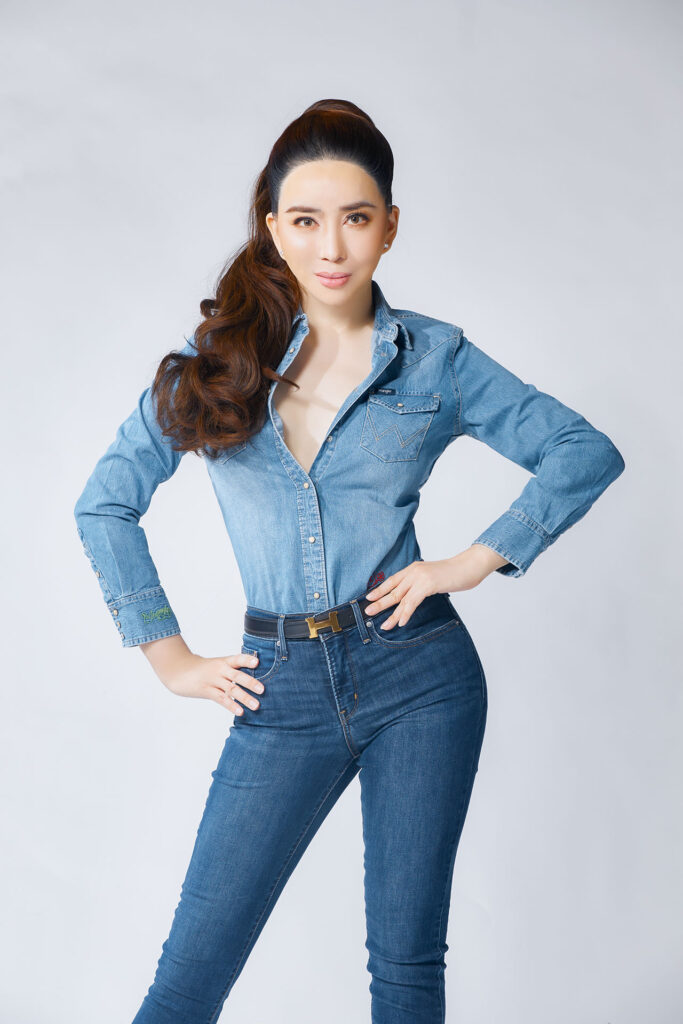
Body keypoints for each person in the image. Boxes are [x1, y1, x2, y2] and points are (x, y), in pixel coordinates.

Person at [73, 99, 625, 1024]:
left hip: (419, 675)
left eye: (356, 218)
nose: (331, 247)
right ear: (272, 229)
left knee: (405, 969)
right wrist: (169, 658)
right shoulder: (215, 362)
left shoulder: (435, 359)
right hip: (278, 686)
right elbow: (104, 504)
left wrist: (471, 561)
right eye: (305, 220)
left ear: (390, 226)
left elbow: (582, 450)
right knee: (187, 983)